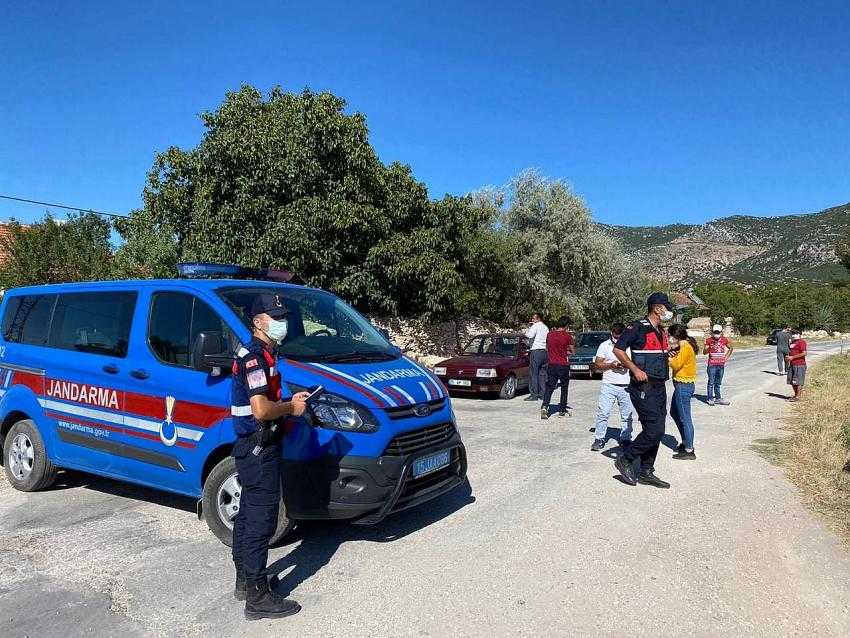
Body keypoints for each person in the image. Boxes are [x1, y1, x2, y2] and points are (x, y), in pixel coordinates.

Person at [231, 293, 310, 620]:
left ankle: (246, 582)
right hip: (258, 446)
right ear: (258, 321)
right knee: (260, 520)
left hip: (253, 446)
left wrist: (291, 399)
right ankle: (258, 598)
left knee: (248, 514)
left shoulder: (261, 353)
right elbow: (261, 410)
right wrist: (292, 407)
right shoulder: (254, 358)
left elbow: (265, 398)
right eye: (275, 317)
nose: (282, 323)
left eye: (283, 316)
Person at [612, 292, 674, 489]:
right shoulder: (637, 326)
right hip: (643, 386)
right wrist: (635, 369)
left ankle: (647, 470)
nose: (669, 311)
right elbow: (618, 350)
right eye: (667, 307)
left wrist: (668, 352)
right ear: (657, 308)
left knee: (655, 430)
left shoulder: (660, 330)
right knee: (655, 430)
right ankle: (626, 458)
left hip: (659, 386)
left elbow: (654, 353)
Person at [590, 322, 634, 451]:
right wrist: (611, 365)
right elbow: (597, 364)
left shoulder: (630, 346)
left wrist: (626, 364)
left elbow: (636, 363)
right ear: (611, 334)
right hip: (608, 384)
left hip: (627, 385)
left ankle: (626, 439)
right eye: (614, 337)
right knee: (603, 412)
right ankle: (599, 438)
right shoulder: (604, 345)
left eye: (619, 337)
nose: (616, 340)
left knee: (627, 415)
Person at [667, 324, 698, 460]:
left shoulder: (685, 346)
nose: (668, 338)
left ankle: (689, 450)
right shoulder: (683, 345)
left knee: (685, 418)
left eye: (670, 335)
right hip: (682, 385)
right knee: (674, 412)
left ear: (676, 336)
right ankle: (686, 441)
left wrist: (667, 357)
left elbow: (676, 365)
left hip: (683, 385)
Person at [541, 316, 574, 419]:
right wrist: (565, 351)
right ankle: (562, 410)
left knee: (549, 387)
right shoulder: (568, 336)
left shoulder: (549, 335)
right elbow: (572, 352)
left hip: (551, 364)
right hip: (563, 365)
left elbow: (547, 348)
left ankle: (545, 406)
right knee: (564, 388)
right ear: (566, 325)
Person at [704, 324, 733, 406]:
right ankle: (710, 398)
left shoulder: (724, 340)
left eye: (718, 332)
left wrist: (726, 358)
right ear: (712, 332)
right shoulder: (709, 340)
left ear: (721, 332)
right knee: (711, 382)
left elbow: (731, 348)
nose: (716, 333)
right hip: (712, 365)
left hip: (721, 365)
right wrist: (707, 348)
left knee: (718, 382)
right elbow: (704, 352)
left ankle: (718, 398)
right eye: (715, 332)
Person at [524, 312, 549, 402]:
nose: (532, 320)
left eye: (533, 318)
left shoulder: (535, 326)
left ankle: (534, 394)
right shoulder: (546, 327)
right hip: (544, 352)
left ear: (538, 319)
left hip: (536, 351)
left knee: (533, 373)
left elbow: (529, 335)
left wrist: (529, 328)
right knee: (542, 374)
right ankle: (543, 393)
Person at [785, 330, 807, 401]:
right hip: (792, 364)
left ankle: (797, 397)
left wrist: (792, 357)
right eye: (792, 334)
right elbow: (791, 352)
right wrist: (788, 357)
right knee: (791, 380)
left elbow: (804, 353)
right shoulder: (792, 342)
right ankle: (795, 395)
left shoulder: (802, 342)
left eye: (795, 334)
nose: (793, 335)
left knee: (798, 381)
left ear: (799, 334)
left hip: (800, 364)